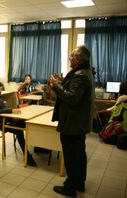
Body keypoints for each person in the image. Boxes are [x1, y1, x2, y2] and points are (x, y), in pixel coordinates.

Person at [50, 45, 94, 197]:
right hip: (78, 123)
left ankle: (70, 188)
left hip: (73, 123)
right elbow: (73, 91)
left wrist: (56, 86)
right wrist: (62, 82)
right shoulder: (84, 72)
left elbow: (72, 98)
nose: (69, 59)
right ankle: (79, 183)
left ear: (80, 59)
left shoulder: (80, 75)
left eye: (71, 56)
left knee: (71, 156)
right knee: (79, 154)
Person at [0, 80, 37, 167]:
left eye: (1, 89)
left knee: (27, 123)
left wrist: (12, 114)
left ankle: (36, 148)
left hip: (7, 120)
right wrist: (11, 110)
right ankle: (27, 157)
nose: (0, 91)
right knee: (19, 131)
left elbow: (5, 109)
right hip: (0, 123)